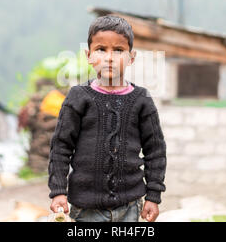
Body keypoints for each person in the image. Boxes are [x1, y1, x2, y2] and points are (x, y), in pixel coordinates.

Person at [48, 15, 167, 222]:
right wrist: (58, 191)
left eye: (118, 50)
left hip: (130, 207)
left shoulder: (142, 100)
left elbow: (155, 150)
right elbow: (60, 147)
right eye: (101, 49)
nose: (109, 57)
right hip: (85, 209)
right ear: (89, 55)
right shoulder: (78, 97)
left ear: (131, 57)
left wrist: (153, 196)